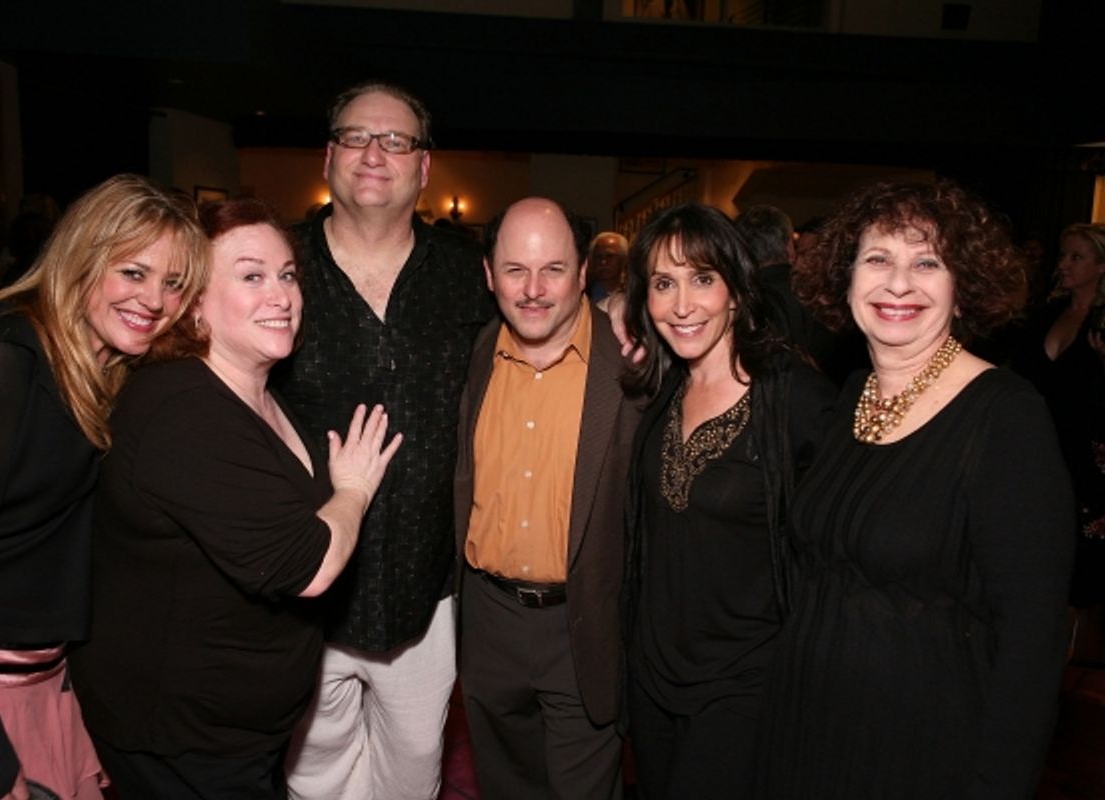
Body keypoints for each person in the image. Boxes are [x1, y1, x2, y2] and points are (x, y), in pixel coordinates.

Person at [70, 198, 401, 798]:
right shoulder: (184, 409)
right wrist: (352, 489)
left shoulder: (264, 399)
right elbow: (309, 566)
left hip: (239, 734)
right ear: (195, 304)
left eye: (287, 275)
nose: (281, 296)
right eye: (251, 276)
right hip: (181, 736)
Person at [760, 180, 1075, 799]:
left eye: (926, 262)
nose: (898, 284)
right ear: (846, 278)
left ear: (964, 288)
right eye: (877, 258)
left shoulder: (1007, 418)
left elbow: (1032, 645)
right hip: (806, 729)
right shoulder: (852, 394)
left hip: (921, 748)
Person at [0, 174, 207, 800]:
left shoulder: (111, 372)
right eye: (133, 272)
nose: (153, 299)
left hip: (49, 686)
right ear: (83, 258)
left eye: (173, 283)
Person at [277, 81, 497, 800]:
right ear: (328, 156)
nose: (375, 153)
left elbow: (542, 332)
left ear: (424, 167)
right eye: (355, 137)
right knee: (311, 784)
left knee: (412, 780)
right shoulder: (273, 270)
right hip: (302, 597)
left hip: (427, 600)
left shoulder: (470, 277)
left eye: (396, 140)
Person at [621, 204, 834, 799]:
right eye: (664, 283)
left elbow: (836, 555)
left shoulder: (796, 401)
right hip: (652, 681)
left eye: (703, 279)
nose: (682, 304)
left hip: (746, 684)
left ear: (738, 290)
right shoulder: (659, 392)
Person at [453, 198, 642, 799]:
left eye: (553, 270)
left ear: (585, 272)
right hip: (488, 621)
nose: (533, 290)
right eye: (515, 270)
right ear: (488, 275)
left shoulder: (635, 363)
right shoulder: (477, 351)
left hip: (585, 625)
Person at [1014, 224, 1105, 640]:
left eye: (1076, 258)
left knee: (1078, 575)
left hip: (1087, 462)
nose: (1063, 265)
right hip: (1037, 453)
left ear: (1102, 267)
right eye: (1063, 256)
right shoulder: (1048, 314)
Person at [586, 231, 628, 302]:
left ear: (623, 259)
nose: (603, 262)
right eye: (598, 257)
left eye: (610, 256)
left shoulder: (634, 293)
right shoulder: (581, 295)